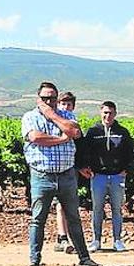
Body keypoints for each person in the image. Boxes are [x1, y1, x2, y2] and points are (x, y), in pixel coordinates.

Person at [21, 81, 99, 266]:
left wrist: (52, 115)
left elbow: (74, 132)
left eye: (52, 98)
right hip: (42, 176)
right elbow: (36, 138)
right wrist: (62, 139)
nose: (49, 101)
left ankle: (84, 258)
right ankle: (34, 262)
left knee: (73, 217)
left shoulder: (67, 115)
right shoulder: (29, 117)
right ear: (38, 99)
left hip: (66, 174)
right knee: (38, 219)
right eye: (45, 98)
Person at [80, 100, 134, 253]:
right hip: (98, 177)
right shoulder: (93, 132)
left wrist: (126, 170)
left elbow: (131, 153)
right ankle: (96, 240)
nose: (108, 116)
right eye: (105, 112)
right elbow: (86, 152)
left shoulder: (122, 132)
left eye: (110, 113)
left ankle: (117, 240)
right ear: (100, 113)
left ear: (115, 114)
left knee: (116, 209)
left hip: (117, 176)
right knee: (97, 209)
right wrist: (87, 167)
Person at [52, 91, 78, 253]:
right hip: (54, 168)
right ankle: (62, 237)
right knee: (60, 204)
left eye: (69, 104)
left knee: (68, 204)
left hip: (70, 168)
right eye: (63, 104)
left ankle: (65, 237)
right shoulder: (53, 121)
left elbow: (76, 139)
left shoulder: (73, 121)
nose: (66, 107)